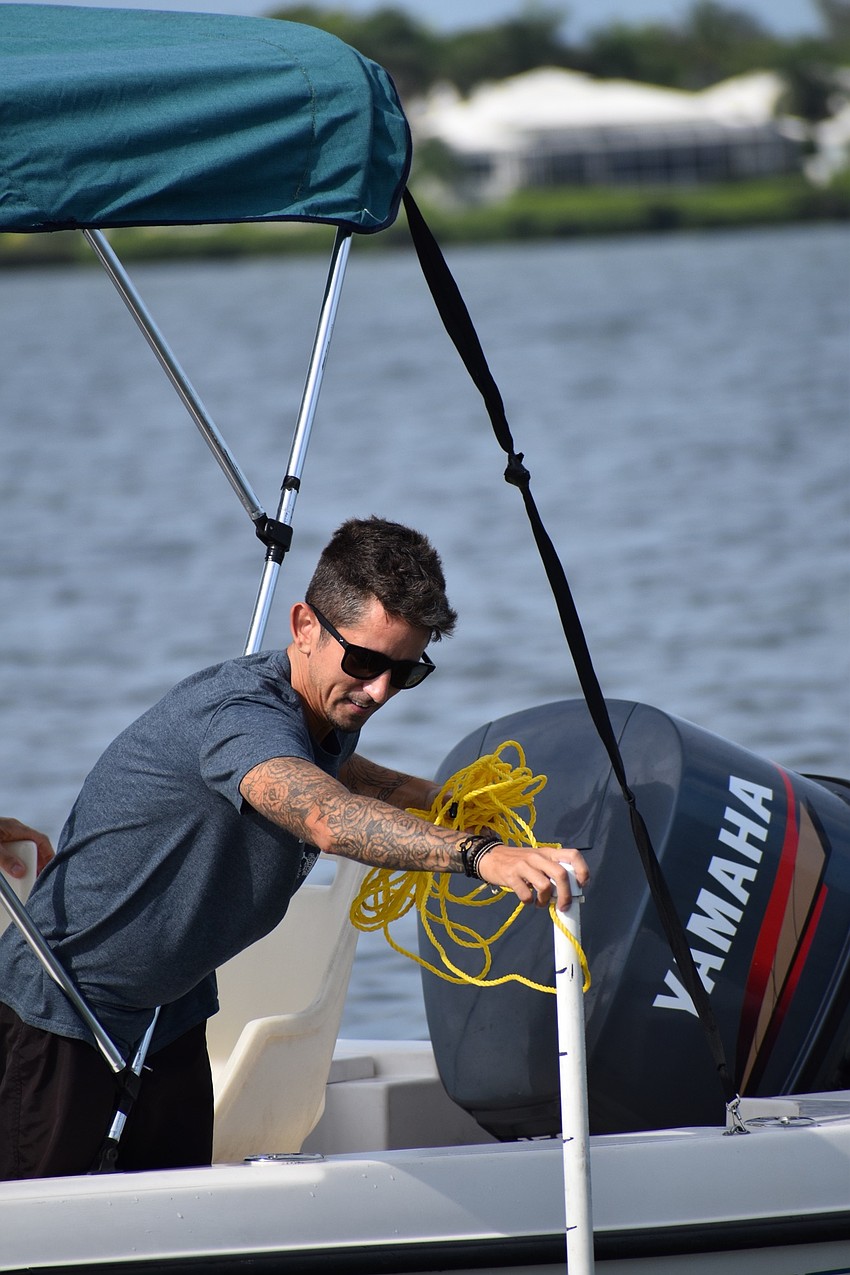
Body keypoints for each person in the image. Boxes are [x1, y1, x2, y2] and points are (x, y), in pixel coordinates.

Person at [0, 516, 588, 1180]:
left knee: (177, 1223)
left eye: (407, 671)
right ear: (304, 625)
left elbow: (347, 775)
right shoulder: (243, 719)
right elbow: (327, 816)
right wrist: (482, 854)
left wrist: (450, 802)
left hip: (171, 1012)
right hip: (62, 1015)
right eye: (365, 662)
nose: (380, 692)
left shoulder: (320, 712)